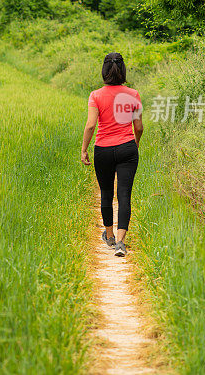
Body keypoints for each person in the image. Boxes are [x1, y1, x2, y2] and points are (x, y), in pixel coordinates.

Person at [80, 52, 144, 257]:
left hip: (103, 150)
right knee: (124, 194)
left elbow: (91, 125)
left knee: (106, 193)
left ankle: (108, 236)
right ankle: (120, 243)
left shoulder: (96, 95)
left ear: (104, 71)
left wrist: (84, 149)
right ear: (123, 70)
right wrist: (134, 143)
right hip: (127, 148)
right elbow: (139, 127)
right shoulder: (133, 94)